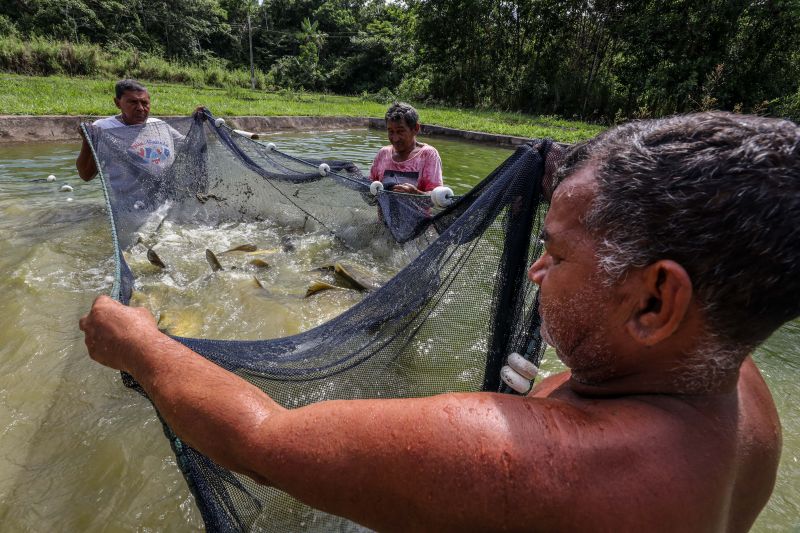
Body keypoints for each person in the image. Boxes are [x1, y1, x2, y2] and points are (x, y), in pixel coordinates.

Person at [79, 112, 799, 531]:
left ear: (654, 302)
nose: (537, 270)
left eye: (555, 251)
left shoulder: (540, 467)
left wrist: (140, 345)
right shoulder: (739, 385)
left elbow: (261, 439)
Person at [76, 79, 186, 185]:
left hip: (168, 201)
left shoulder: (159, 125)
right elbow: (86, 175)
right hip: (130, 203)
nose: (140, 108)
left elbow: (190, 145)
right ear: (117, 103)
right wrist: (87, 139)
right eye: (133, 102)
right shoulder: (104, 128)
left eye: (144, 103)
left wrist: (199, 120)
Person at [369, 102, 443, 194]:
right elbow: (370, 193)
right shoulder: (383, 154)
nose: (395, 138)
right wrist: (356, 175)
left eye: (400, 131)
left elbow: (438, 198)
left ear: (415, 128)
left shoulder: (428, 155)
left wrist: (416, 193)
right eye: (391, 131)